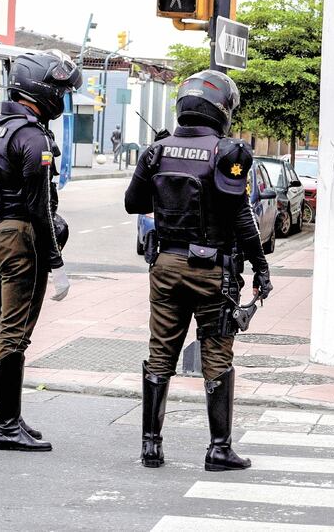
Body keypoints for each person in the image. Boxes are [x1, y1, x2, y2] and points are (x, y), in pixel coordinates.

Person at [124, 69, 273, 471]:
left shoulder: (156, 152)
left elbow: (133, 203)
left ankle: (151, 447)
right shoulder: (228, 153)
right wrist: (261, 267)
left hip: (166, 267)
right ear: (222, 108)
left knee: (160, 354)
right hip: (212, 271)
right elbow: (241, 217)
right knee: (217, 356)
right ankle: (218, 449)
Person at [0, 52, 81, 452]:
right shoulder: (33, 136)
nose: (62, 100)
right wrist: (57, 262)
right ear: (43, 91)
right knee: (14, 335)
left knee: (6, 330)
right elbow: (39, 208)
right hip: (19, 241)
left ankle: (10, 416)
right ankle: (4, 425)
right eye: (61, 92)